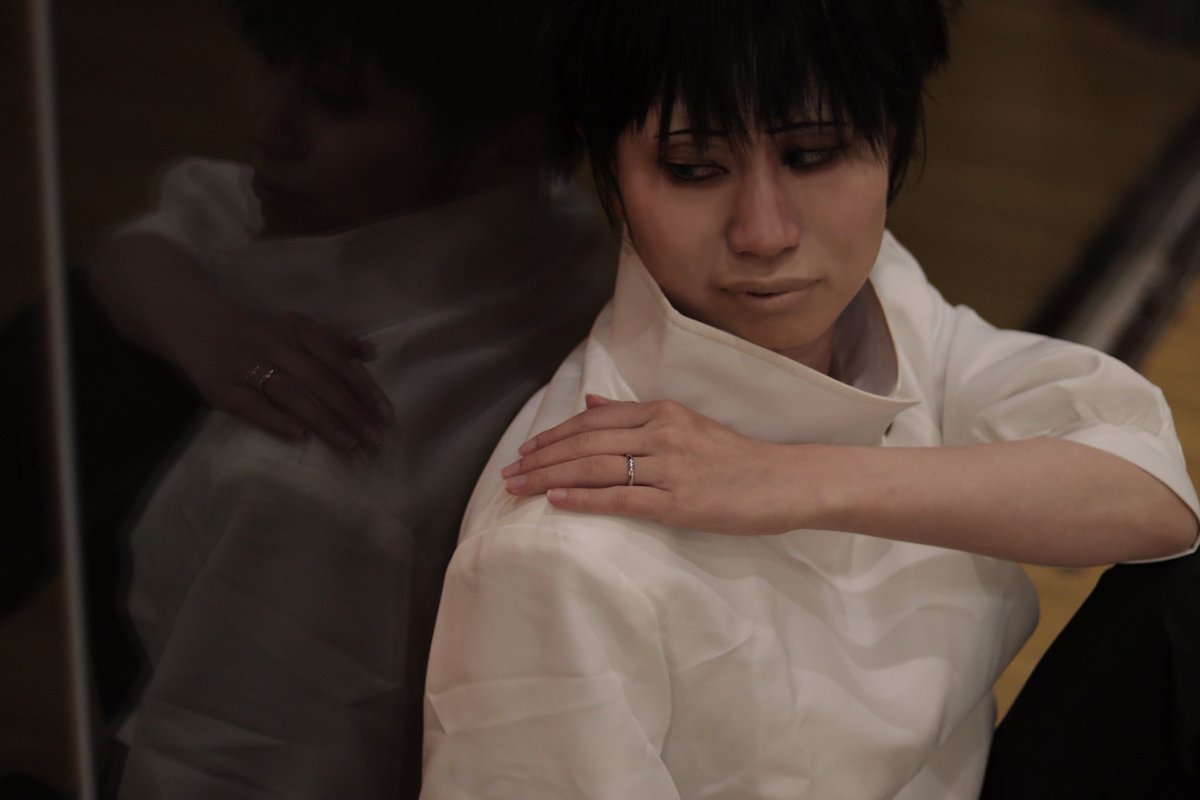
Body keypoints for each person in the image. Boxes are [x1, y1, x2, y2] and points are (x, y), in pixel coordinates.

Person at [419, 1, 1200, 797]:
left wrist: (790, 479)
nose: (765, 234)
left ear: (890, 134)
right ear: (610, 173)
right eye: (693, 168)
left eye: (812, 154)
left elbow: (1152, 493)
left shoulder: (875, 290)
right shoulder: (551, 558)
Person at [98, 2, 613, 797]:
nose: (268, 126)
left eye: (335, 99)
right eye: (272, 60)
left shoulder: (313, 473)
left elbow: (220, 769)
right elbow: (152, 240)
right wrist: (208, 331)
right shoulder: (556, 231)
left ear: (502, 148)